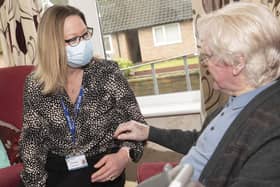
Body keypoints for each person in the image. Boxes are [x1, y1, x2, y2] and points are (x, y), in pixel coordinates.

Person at [114, 2, 280, 187]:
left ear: (238, 63)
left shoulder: (272, 124)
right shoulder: (238, 101)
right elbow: (202, 142)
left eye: (208, 56)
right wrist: (148, 132)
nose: (205, 65)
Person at [19, 5, 145, 187]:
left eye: (85, 35)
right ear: (52, 45)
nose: (83, 43)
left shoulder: (107, 74)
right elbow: (32, 141)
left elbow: (137, 123)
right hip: (56, 171)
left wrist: (123, 156)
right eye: (73, 39)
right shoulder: (35, 84)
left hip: (101, 169)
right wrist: (35, 184)